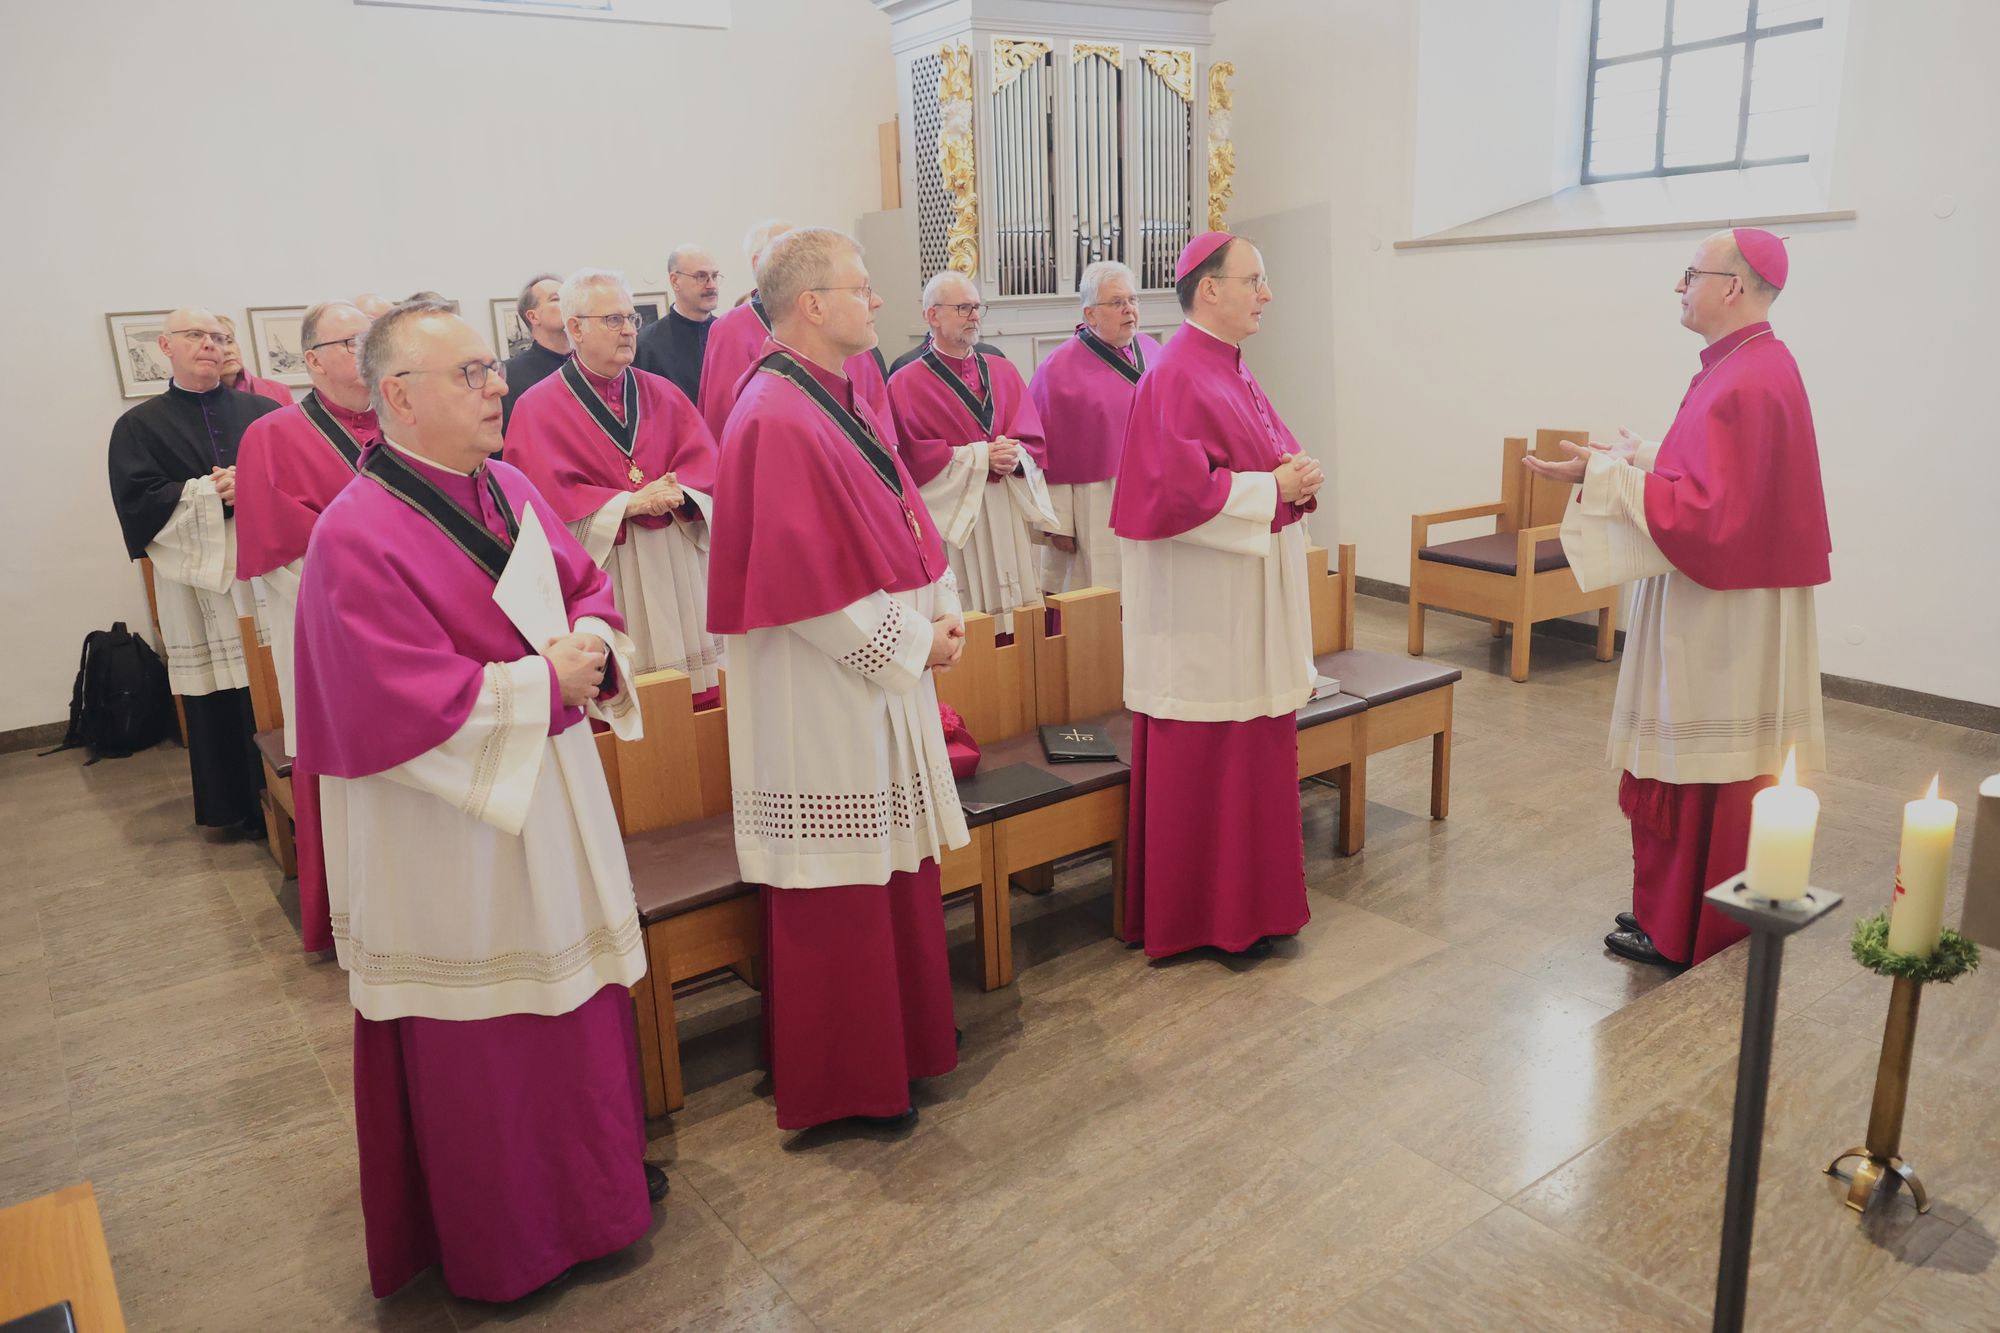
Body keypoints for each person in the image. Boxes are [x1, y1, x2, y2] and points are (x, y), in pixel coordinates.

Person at [292, 299, 663, 1303]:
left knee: (572, 1003)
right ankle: (513, 1237)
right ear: (398, 397)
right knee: (492, 1033)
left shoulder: (504, 484)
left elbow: (587, 585)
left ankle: (597, 1197)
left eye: (487, 368)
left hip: (546, 794)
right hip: (449, 829)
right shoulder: (352, 535)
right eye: (468, 374)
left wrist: (591, 646)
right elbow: (389, 699)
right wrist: (550, 683)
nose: (496, 382)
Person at [707, 227, 968, 1131]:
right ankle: (846, 1082)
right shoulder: (775, 413)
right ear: (813, 305)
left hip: (871, 680)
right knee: (841, 885)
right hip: (821, 692)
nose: (878, 301)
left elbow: (893, 515)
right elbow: (803, 587)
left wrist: (941, 604)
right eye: (863, 286)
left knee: (885, 872)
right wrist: (913, 643)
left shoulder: (837, 393)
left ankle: (902, 1053)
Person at [1525, 228, 1830, 970]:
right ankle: (1676, 909)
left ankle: (1686, 926)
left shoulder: (1750, 377)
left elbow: (1706, 516)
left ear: (1732, 287)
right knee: (1704, 766)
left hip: (1720, 613)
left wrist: (1602, 479)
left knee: (1700, 766)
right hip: (1729, 602)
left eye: (1691, 273)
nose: (1679, 285)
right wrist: (1634, 459)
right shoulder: (1749, 366)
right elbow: (1717, 478)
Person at [1112, 232, 1324, 959]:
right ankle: (1204, 917)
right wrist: (1275, 487)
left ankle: (1257, 909)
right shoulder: (1175, 375)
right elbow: (1174, 493)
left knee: (1254, 748)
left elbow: (1254, 456)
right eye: (1254, 280)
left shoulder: (1229, 368)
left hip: (1243, 606)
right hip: (1203, 616)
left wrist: (1292, 472)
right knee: (1214, 758)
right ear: (1210, 289)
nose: (1266, 294)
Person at [506, 268, 722, 693]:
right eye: (613, 320)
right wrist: (626, 504)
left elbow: (705, 465)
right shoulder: (537, 407)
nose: (627, 330)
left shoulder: (663, 392)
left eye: (631, 319)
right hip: (608, 564)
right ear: (575, 329)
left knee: (698, 693)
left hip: (675, 557)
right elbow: (541, 501)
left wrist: (679, 491)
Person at [106, 307, 280, 834]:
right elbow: (136, 501)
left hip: (262, 570)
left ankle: (294, 796)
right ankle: (239, 807)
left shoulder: (263, 412)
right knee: (220, 692)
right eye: (196, 335)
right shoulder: (137, 425)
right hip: (193, 579)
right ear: (166, 346)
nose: (210, 344)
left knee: (275, 681)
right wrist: (209, 491)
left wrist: (250, 486)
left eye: (219, 336)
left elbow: (290, 478)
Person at [234, 301, 377, 760]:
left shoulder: (410, 422)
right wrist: (374, 599)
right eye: (355, 343)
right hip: (328, 622)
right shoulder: (270, 435)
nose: (370, 352)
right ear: (313, 359)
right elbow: (281, 555)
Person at [887, 270, 1055, 636]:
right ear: (932, 315)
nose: (975, 316)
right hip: (958, 516)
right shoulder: (905, 382)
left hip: (1005, 507)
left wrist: (1017, 456)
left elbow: (1033, 438)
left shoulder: (1004, 370)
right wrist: (982, 457)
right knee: (973, 618)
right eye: (963, 308)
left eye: (978, 307)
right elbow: (912, 459)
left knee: (1019, 618)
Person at [1027, 259, 1160, 592]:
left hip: (1155, 492)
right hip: (1096, 503)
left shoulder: (1154, 351)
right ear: (1090, 314)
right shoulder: (1057, 371)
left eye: (1133, 300)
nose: (1129, 310)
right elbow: (1048, 453)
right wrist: (1060, 524)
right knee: (1101, 589)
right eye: (1117, 303)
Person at [695, 219, 894, 442]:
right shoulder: (771, 411)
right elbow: (724, 420)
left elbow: (873, 401)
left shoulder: (847, 335)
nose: (875, 302)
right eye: (860, 290)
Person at [633, 243, 721, 404]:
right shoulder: (646, 346)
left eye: (714, 276)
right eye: (701, 276)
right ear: (675, 281)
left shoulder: (729, 335)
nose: (712, 285)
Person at [499, 273, 566, 432]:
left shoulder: (592, 366)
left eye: (569, 297)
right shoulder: (509, 376)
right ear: (533, 317)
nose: (569, 304)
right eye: (556, 299)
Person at [216, 313, 294, 405]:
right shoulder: (199, 399)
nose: (227, 350)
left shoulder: (278, 390)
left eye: (229, 341)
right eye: (216, 345)